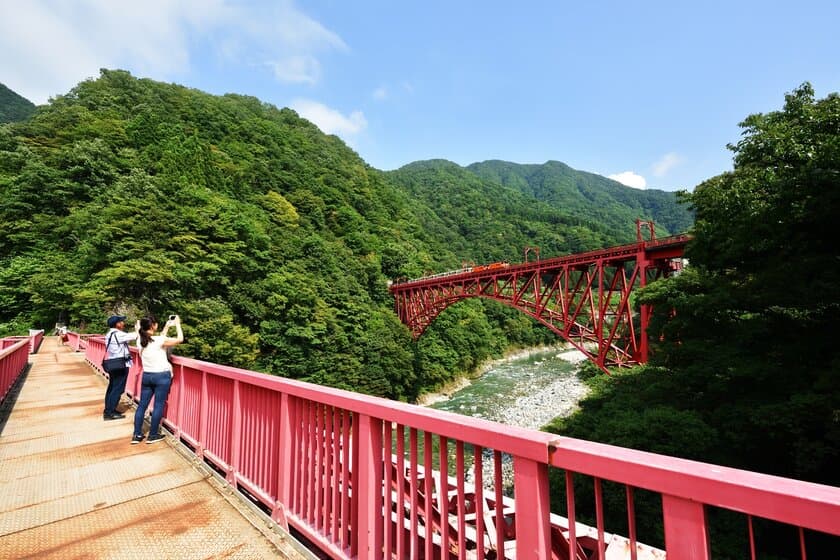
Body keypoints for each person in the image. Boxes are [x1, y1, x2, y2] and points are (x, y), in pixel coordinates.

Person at [132, 314, 183, 444]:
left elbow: (158, 337)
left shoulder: (140, 341)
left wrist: (166, 327)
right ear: (153, 326)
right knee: (158, 405)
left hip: (147, 376)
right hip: (161, 376)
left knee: (142, 405)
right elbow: (179, 339)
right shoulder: (158, 340)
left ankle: (137, 435)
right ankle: (153, 435)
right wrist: (177, 324)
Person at [103, 315, 139, 420]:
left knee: (112, 387)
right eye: (121, 321)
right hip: (120, 364)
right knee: (118, 389)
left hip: (113, 363)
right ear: (117, 324)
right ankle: (110, 413)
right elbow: (135, 335)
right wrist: (138, 328)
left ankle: (109, 409)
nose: (123, 323)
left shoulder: (109, 334)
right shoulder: (118, 334)